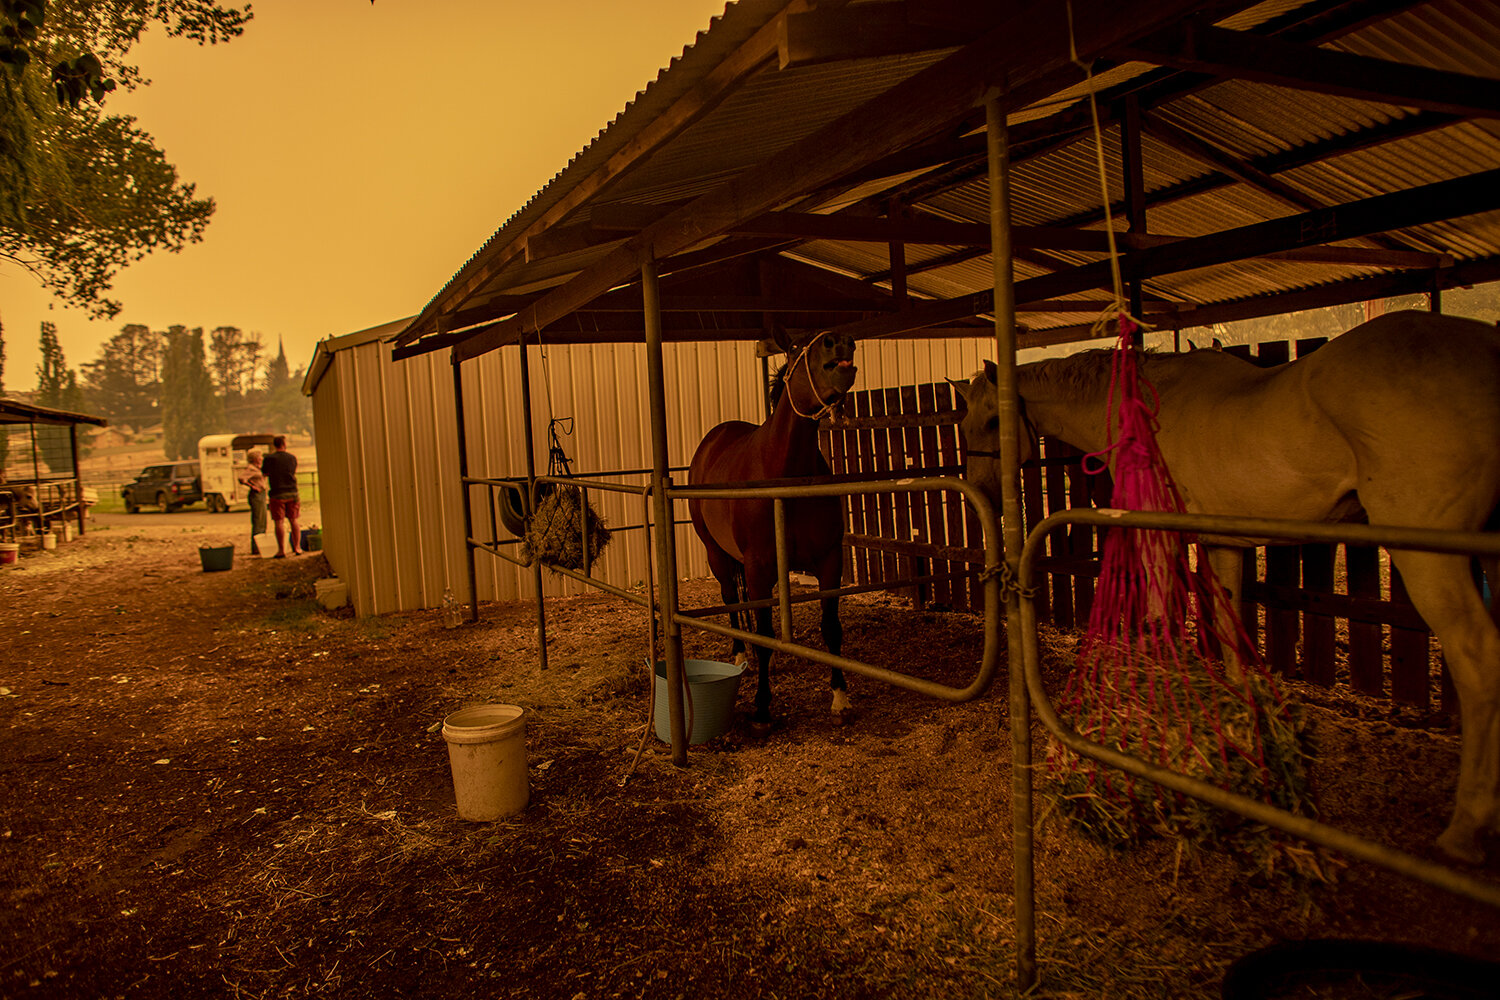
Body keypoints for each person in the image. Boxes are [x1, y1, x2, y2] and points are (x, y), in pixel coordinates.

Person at [260, 435, 301, 558]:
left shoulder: (269, 458)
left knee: (279, 522)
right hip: (292, 492)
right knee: (294, 520)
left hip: (277, 493)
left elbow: (265, 473)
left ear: (275, 445)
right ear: (284, 444)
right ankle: (297, 547)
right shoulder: (292, 458)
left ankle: (282, 550)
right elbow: (293, 471)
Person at [237, 447, 268, 555]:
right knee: (258, 520)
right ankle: (256, 547)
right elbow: (241, 478)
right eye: (260, 456)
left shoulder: (257, 468)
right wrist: (252, 486)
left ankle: (261, 544)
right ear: (255, 458)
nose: (261, 458)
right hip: (257, 495)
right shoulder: (251, 468)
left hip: (262, 494)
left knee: (263, 520)